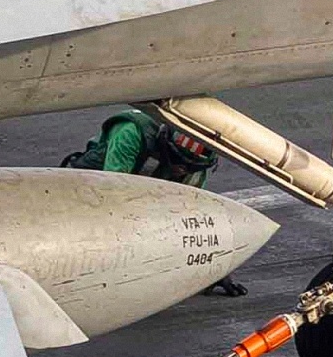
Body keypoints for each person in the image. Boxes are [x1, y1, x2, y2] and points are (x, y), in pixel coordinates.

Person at [67, 107, 245, 294]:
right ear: (164, 142)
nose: (182, 170)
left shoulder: (195, 168)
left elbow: (191, 217)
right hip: (88, 191)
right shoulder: (131, 133)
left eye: (189, 167)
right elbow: (112, 198)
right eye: (178, 162)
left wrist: (215, 266)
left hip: (139, 189)